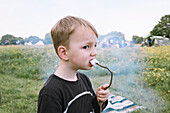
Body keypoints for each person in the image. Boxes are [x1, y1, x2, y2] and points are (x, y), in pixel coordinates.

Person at [37, 16, 109, 113]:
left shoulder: (84, 80)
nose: (94, 52)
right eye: (86, 46)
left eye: (95, 46)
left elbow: (92, 109)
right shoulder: (51, 92)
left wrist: (99, 101)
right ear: (64, 53)